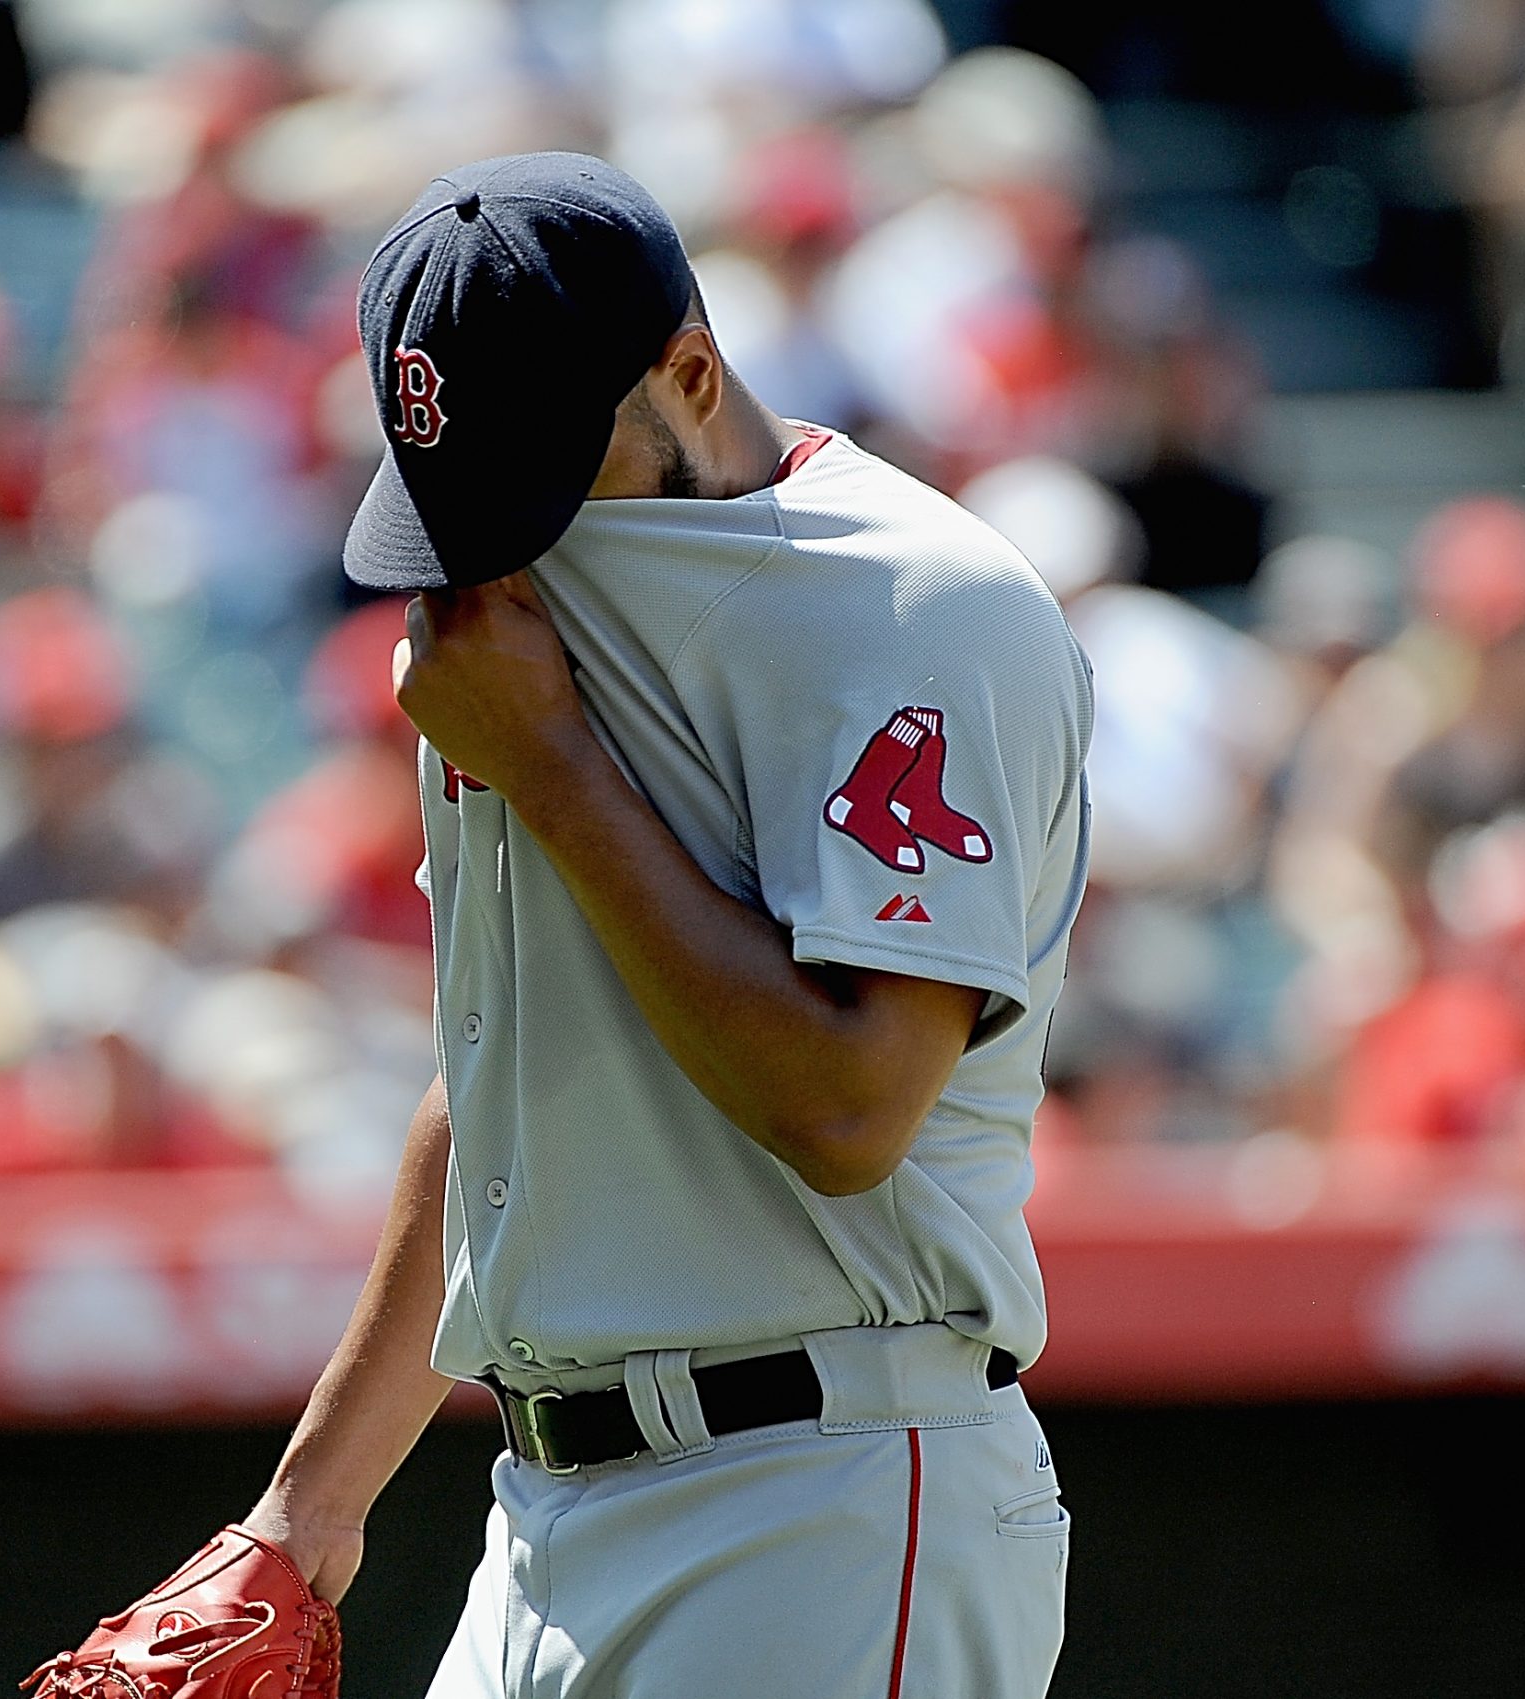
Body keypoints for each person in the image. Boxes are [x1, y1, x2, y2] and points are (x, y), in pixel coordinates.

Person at [236, 154, 1091, 1696]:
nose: (505, 534)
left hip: (822, 1498)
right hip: (540, 1512)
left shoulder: (916, 609)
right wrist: (309, 1505)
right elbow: (510, 1080)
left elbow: (847, 1108)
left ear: (690, 372)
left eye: (544, 473)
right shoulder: (529, 615)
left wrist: (551, 768)